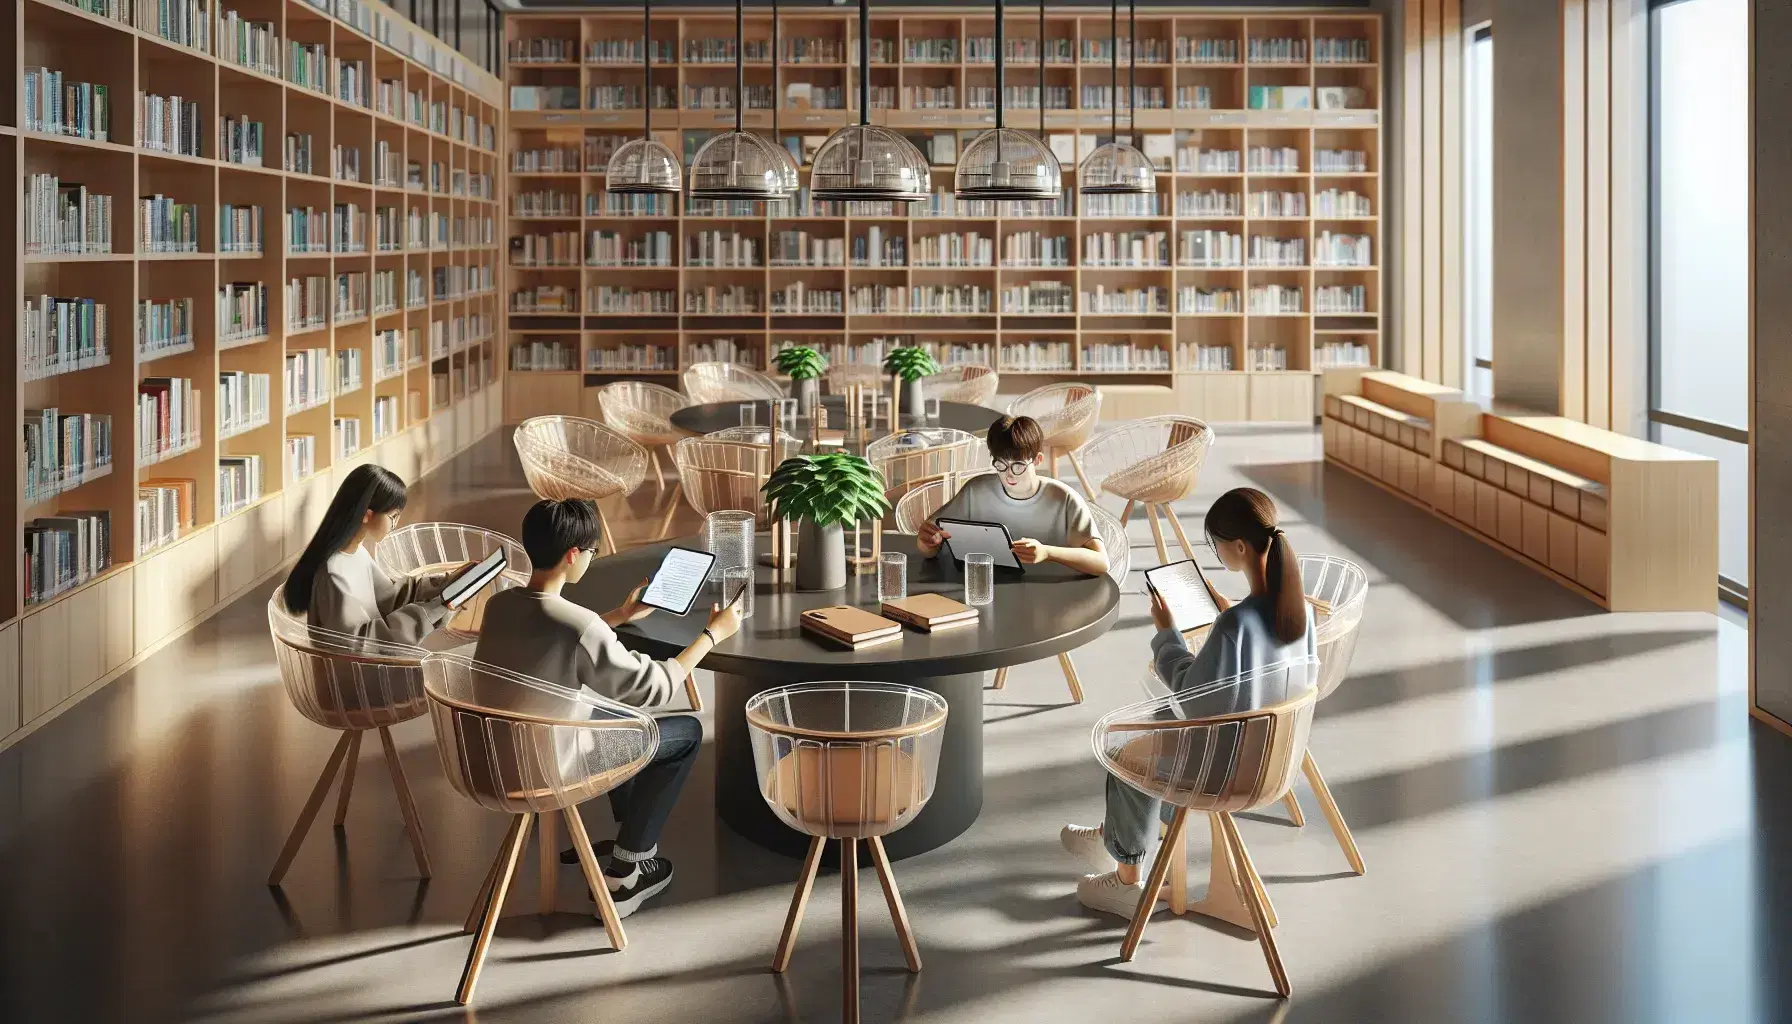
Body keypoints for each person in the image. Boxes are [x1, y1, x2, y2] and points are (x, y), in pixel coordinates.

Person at [473, 498, 742, 918]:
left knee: (613, 717)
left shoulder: (500, 605)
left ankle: (625, 835)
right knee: (686, 733)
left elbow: (551, 631)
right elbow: (653, 687)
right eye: (592, 552)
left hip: (493, 754)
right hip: (549, 764)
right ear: (573, 555)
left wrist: (619, 615)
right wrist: (712, 634)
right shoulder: (580, 626)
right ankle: (629, 869)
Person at [1059, 487, 1318, 918]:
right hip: (1270, 760)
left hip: (1224, 770)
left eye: (1215, 544)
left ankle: (1124, 876)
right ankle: (1114, 835)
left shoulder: (1236, 625)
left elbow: (1193, 698)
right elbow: (1275, 676)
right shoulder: (1298, 612)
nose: (1216, 552)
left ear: (1237, 546)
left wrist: (1167, 634)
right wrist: (1225, 613)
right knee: (1156, 730)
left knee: (1127, 752)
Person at [283, 464, 459, 645]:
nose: (395, 524)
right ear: (367, 515)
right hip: (360, 670)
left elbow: (391, 598)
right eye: (393, 516)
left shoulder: (358, 553)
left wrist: (446, 582)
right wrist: (428, 612)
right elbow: (362, 643)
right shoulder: (333, 575)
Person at [916, 415, 1109, 576]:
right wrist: (928, 542)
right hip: (988, 593)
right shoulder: (976, 490)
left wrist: (1047, 552)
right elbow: (928, 548)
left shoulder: (1063, 499)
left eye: (1018, 465)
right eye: (1001, 464)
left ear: (1037, 460)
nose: (1008, 474)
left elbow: (1101, 563)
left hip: (1053, 599)